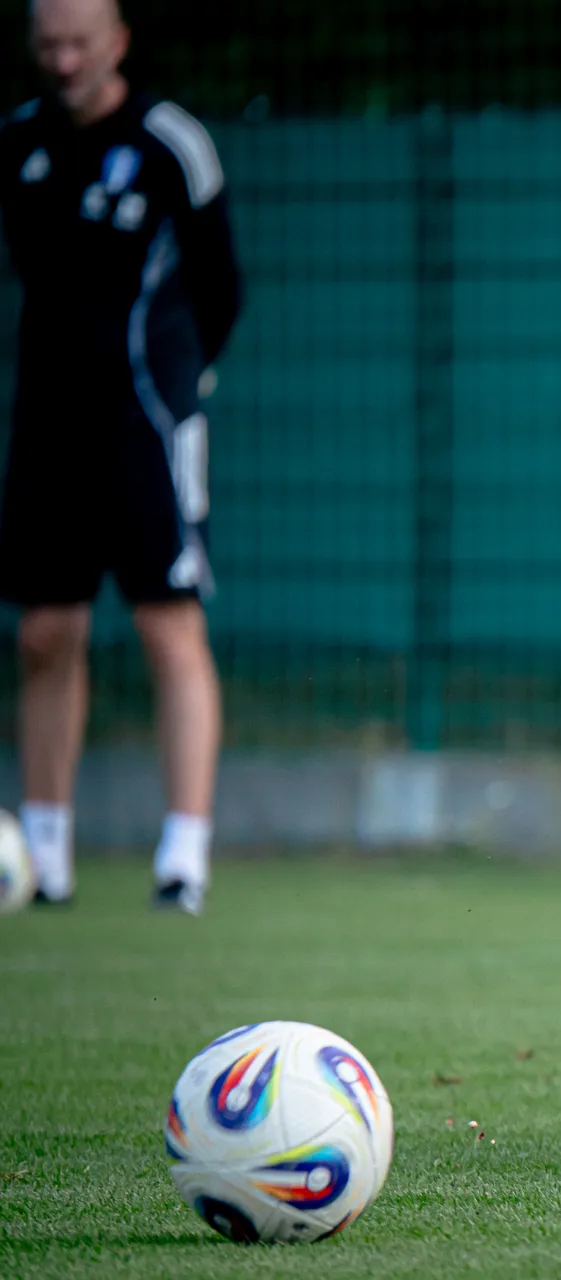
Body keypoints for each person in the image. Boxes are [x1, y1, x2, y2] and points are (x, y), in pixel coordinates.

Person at [0, 0, 239, 914]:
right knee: (44, 633)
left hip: (148, 418)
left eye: (80, 44)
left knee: (167, 626)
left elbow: (222, 284)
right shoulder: (18, 143)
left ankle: (184, 859)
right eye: (48, 45)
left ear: (118, 43)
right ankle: (43, 859)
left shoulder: (172, 143)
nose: (63, 61)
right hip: (47, 425)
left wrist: (185, 382)